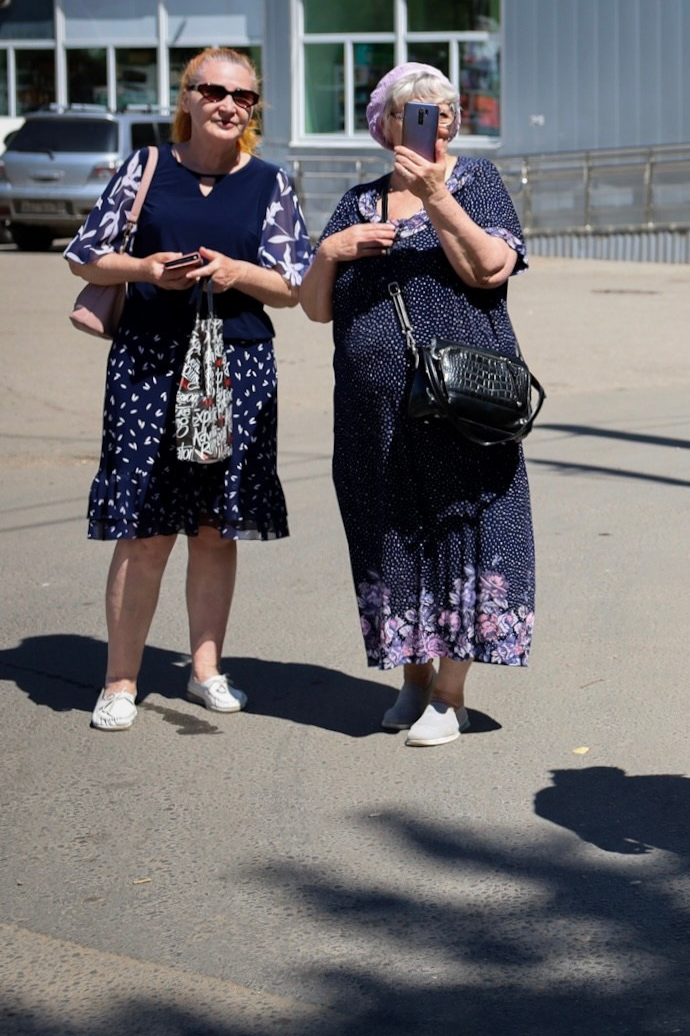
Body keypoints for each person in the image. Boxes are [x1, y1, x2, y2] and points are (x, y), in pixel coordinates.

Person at [65, 48, 312, 731]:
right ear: (188, 96)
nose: (229, 105)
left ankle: (206, 670)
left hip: (235, 364)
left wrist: (235, 272)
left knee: (212, 529)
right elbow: (84, 253)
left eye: (244, 97)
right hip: (150, 363)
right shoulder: (146, 168)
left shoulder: (269, 182)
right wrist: (145, 267)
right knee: (145, 531)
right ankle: (120, 680)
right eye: (214, 91)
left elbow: (294, 286)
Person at [298, 63, 534, 748]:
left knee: (465, 529)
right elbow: (315, 309)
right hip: (370, 414)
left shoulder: (475, 183)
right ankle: (412, 678)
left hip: (462, 401)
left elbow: (490, 268)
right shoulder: (355, 202)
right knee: (388, 531)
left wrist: (437, 197)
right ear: (389, 124)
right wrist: (332, 251)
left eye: (448, 108)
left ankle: (452, 695)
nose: (440, 116)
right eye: (420, 108)